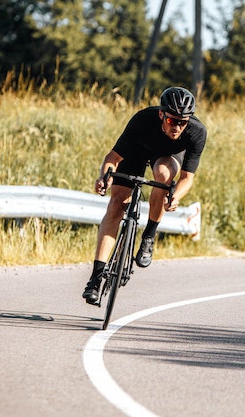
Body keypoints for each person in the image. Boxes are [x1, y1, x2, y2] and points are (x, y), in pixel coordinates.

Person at [82, 86, 207, 304]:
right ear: (161, 114)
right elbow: (113, 157)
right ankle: (95, 277)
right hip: (137, 152)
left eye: (182, 122)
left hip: (168, 157)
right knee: (116, 205)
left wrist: (175, 196)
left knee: (162, 174)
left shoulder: (196, 131)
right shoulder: (143, 120)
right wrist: (105, 176)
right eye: (171, 121)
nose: (177, 126)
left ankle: (149, 235)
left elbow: (187, 177)